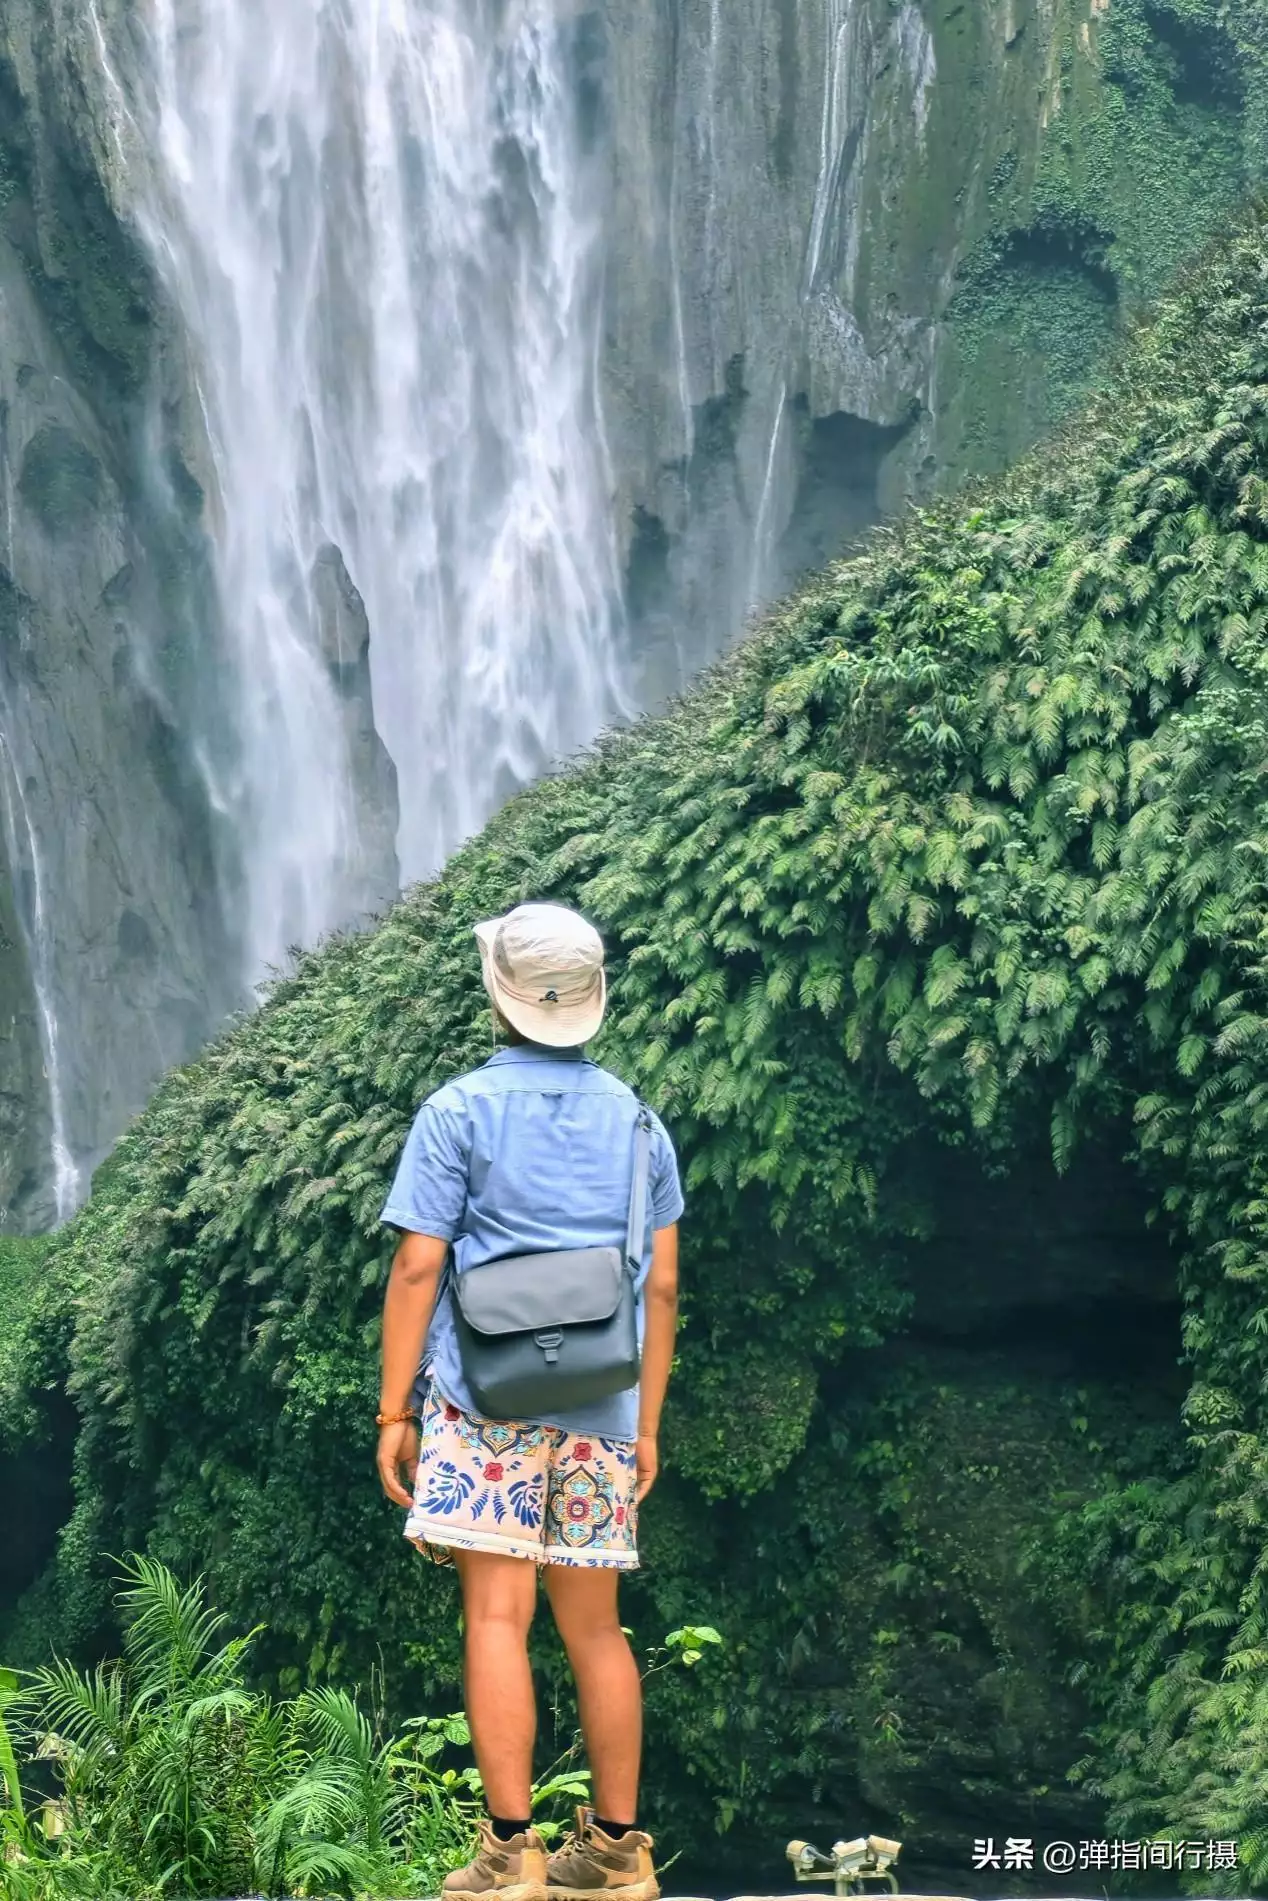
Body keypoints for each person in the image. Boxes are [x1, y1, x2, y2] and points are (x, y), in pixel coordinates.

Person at [376, 901, 684, 1901]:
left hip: (481, 1403)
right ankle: (616, 1854)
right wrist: (643, 1423)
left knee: (496, 1617)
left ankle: (510, 1854)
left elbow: (420, 1267)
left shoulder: (457, 1112)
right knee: (595, 1627)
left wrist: (395, 1410)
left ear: (498, 995)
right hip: (601, 1400)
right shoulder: (640, 1123)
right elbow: (661, 1286)